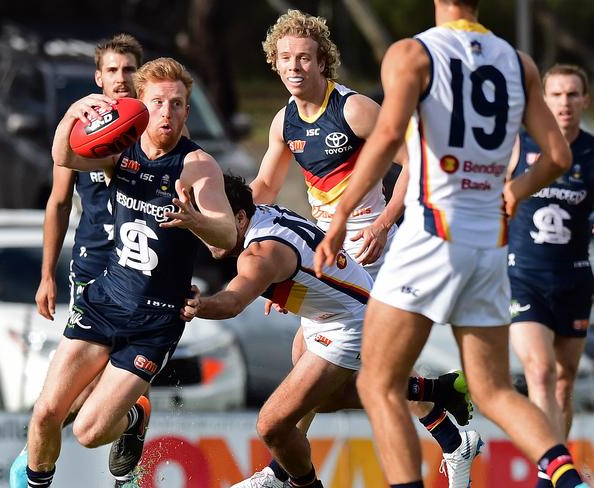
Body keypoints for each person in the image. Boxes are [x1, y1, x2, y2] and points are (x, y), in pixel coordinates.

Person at [314, 0, 589, 487]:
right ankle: (570, 481)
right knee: (494, 389)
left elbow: (384, 140)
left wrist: (339, 216)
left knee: (378, 382)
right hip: (489, 246)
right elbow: (558, 154)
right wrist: (515, 191)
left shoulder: (412, 53)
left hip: (433, 235)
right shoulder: (517, 60)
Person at [249, 9, 477, 488]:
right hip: (328, 248)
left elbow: (415, 165)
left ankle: (281, 472)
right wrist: (259, 256)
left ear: (322, 62)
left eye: (305, 58)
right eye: (286, 58)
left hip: (376, 245)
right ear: (274, 62)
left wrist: (384, 225)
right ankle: (451, 430)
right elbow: (265, 187)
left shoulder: (352, 109)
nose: (295, 67)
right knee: (318, 364)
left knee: (335, 362)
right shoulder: (283, 121)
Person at [23, 57, 236, 488]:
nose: (167, 112)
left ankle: (134, 416)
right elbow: (64, 155)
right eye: (158, 102)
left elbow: (228, 235)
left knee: (88, 432)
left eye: (178, 104)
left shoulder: (198, 166)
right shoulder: (119, 150)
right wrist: (72, 114)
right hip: (105, 300)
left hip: (155, 321)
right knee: (46, 412)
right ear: (140, 103)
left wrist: (195, 219)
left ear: (187, 111)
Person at [183, 174, 472, 488]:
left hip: (350, 324)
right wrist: (284, 292)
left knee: (272, 425)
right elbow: (304, 257)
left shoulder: (259, 255)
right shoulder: (260, 214)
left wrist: (197, 305)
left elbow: (233, 303)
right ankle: (438, 390)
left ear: (239, 218)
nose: (205, 233)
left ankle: (285, 480)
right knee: (323, 400)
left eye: (210, 222)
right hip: (337, 309)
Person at [9, 33, 144, 488]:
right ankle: (121, 420)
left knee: (95, 391)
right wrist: (46, 274)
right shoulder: (83, 126)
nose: (121, 79)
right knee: (79, 388)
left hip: (141, 269)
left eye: (129, 70)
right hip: (91, 266)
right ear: (98, 77)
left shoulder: (159, 124)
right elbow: (58, 204)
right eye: (113, 70)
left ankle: (119, 419)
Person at [507, 64, 594, 488]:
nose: (563, 103)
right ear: (543, 101)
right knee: (538, 373)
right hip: (523, 276)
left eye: (571, 94)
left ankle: (553, 474)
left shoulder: (592, 153)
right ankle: (557, 480)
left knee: (563, 384)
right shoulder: (519, 144)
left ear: (584, 100)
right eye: (555, 95)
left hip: (575, 279)